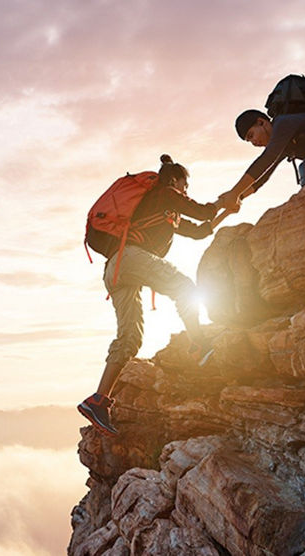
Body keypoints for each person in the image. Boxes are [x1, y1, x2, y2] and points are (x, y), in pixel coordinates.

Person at [78, 155, 231, 437]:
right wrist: (225, 201)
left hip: (115, 269)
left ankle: (98, 400)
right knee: (184, 287)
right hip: (132, 258)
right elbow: (201, 213)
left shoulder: (164, 211)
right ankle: (200, 344)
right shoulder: (165, 193)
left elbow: (198, 231)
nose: (186, 192)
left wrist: (226, 213)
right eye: (185, 186)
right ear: (175, 181)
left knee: (130, 338)